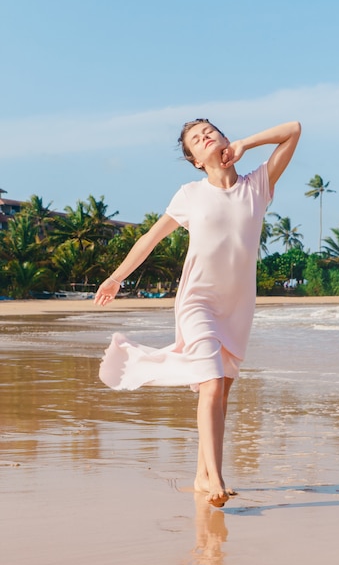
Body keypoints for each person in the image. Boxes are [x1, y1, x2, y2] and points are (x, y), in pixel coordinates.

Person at [94, 118, 301, 507]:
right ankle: (218, 480)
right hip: (197, 301)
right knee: (210, 383)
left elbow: (293, 129)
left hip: (238, 307)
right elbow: (150, 238)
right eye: (196, 139)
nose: (206, 137)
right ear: (195, 161)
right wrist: (116, 277)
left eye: (211, 132)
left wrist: (245, 143)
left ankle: (202, 475)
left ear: (224, 140)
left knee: (220, 391)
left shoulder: (258, 186)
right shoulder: (190, 194)